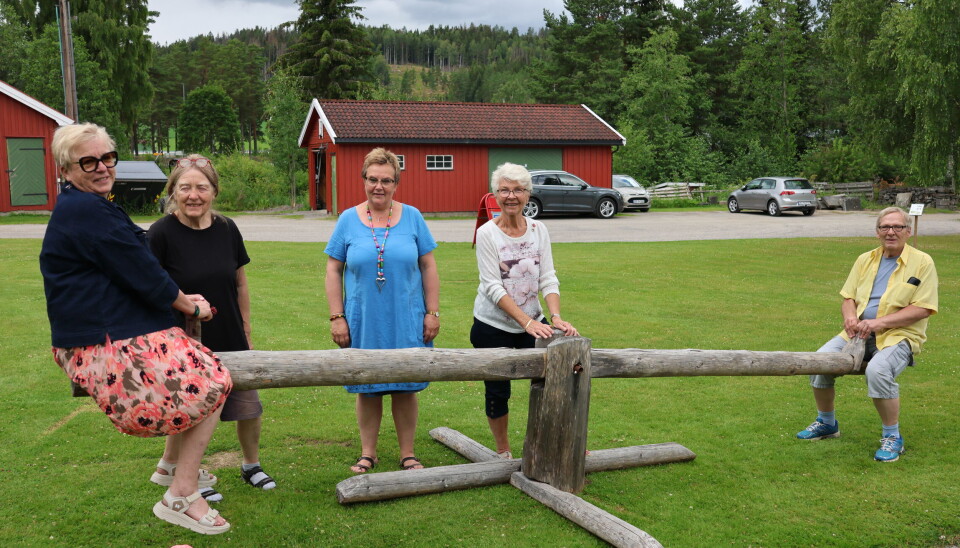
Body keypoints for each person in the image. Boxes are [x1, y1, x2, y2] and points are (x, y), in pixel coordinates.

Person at [39, 123, 232, 534]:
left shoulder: (88, 206)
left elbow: (131, 270)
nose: (102, 167)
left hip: (109, 332)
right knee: (212, 383)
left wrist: (182, 302)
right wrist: (191, 307)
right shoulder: (87, 210)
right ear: (65, 169)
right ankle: (181, 494)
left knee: (201, 372)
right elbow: (144, 273)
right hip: (102, 340)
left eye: (107, 157)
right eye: (88, 161)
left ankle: (170, 466)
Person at [147, 155, 276, 498]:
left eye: (201, 188)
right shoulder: (160, 233)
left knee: (249, 406)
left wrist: (246, 329)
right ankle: (187, 475)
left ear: (214, 191)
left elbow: (240, 283)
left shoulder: (227, 228)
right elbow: (149, 289)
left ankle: (251, 465)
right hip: (183, 342)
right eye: (184, 188)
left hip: (230, 333)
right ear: (173, 192)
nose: (193, 195)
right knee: (191, 411)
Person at [325, 147, 440, 474]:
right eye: (373, 179)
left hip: (406, 317)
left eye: (386, 180)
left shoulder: (413, 217)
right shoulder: (347, 219)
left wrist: (432, 312)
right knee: (368, 387)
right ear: (364, 180)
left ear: (396, 183)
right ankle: (368, 453)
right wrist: (337, 316)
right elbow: (333, 269)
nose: (379, 186)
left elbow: (428, 266)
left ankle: (408, 454)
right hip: (363, 319)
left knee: (405, 387)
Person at [796, 207, 938, 462]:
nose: (890, 232)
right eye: (885, 227)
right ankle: (827, 423)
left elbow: (923, 308)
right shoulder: (865, 259)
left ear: (908, 231)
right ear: (877, 232)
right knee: (819, 362)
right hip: (858, 333)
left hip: (899, 335)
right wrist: (850, 318)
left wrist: (877, 323)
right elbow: (848, 297)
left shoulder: (923, 262)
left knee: (878, 370)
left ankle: (892, 437)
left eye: (897, 227)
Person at [471, 163, 579, 459]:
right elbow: (493, 287)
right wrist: (527, 323)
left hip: (533, 320)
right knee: (497, 390)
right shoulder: (487, 233)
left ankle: (554, 444)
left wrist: (555, 317)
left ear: (528, 194)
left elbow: (548, 277)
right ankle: (503, 451)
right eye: (505, 190)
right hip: (493, 326)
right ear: (495, 195)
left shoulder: (538, 229)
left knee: (554, 379)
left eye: (518, 190)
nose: (511, 196)